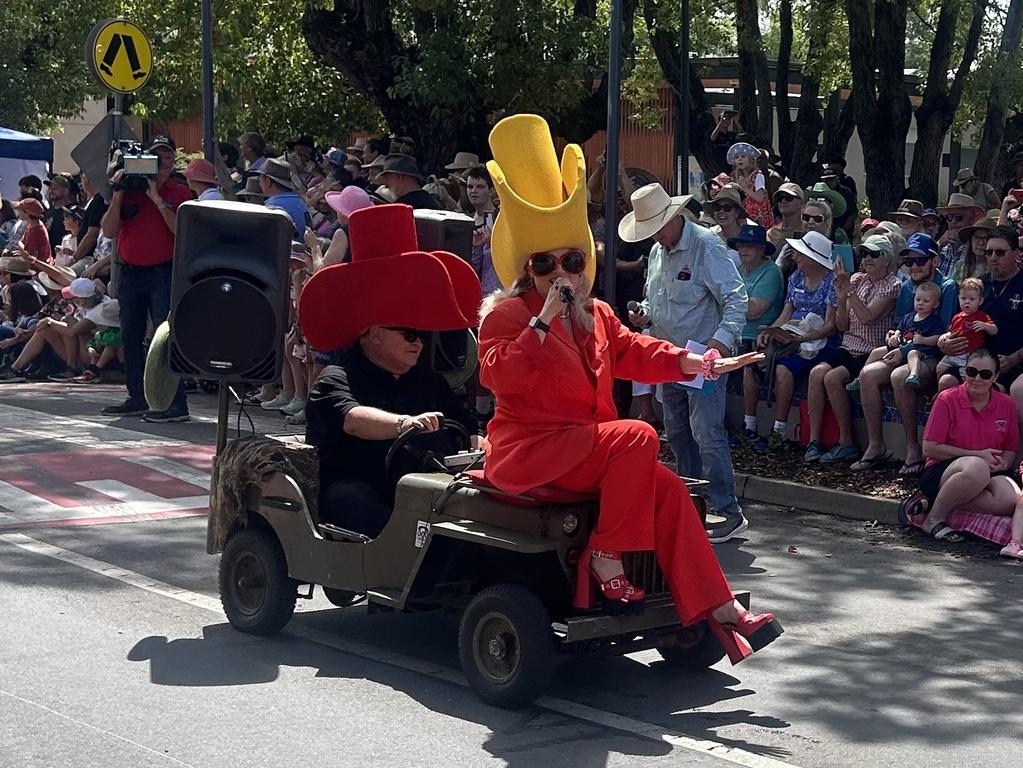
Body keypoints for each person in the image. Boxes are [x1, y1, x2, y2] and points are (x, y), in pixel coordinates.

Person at [479, 114, 779, 663]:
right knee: (639, 434)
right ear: (526, 271)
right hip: (532, 454)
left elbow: (637, 352)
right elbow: (501, 375)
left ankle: (721, 611)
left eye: (571, 260)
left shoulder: (595, 313)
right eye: (544, 264)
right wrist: (542, 321)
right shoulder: (504, 318)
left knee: (667, 486)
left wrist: (701, 362)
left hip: (585, 450)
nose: (560, 273)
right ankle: (607, 554)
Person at [301, 203, 484, 538]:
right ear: (376, 334)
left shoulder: (428, 381)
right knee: (360, 505)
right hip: (357, 485)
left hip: (423, 488)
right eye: (410, 335)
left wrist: (484, 446)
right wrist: (404, 424)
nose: (420, 344)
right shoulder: (336, 377)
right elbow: (353, 419)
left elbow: (468, 426)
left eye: (424, 336)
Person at [621, 181, 751, 542]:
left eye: (656, 227)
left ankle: (728, 510)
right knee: (678, 432)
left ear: (673, 217)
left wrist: (719, 345)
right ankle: (690, 504)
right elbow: (657, 301)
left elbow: (736, 298)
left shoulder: (706, 245)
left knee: (706, 432)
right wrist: (643, 315)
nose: (654, 236)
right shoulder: (659, 251)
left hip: (702, 356)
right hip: (669, 356)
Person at [99, 134, 191, 422]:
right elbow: (110, 230)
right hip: (130, 271)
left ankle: (175, 402)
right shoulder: (130, 190)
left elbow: (181, 231)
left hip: (162, 271)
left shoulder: (179, 192)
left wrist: (157, 198)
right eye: (157, 157)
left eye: (167, 158)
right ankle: (137, 396)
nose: (162, 163)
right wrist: (118, 194)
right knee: (131, 334)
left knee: (165, 337)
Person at [853, 233, 958, 475]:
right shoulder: (907, 287)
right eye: (908, 262)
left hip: (932, 357)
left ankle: (913, 447)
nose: (913, 266)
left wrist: (905, 349)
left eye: (920, 260)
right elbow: (901, 324)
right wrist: (894, 336)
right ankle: (876, 445)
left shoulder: (947, 287)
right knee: (868, 374)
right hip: (904, 351)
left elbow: (941, 335)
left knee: (900, 376)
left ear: (935, 261)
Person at [902, 349, 1019, 542]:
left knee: (1010, 499)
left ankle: (935, 502)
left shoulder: (1006, 404)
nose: (977, 378)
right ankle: (933, 518)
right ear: (965, 371)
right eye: (972, 372)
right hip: (944, 469)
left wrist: (1004, 464)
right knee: (977, 468)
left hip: (991, 470)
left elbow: (1011, 447)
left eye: (986, 374)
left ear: (995, 377)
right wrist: (978, 455)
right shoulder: (947, 399)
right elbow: (930, 448)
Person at [804, 235, 900, 464]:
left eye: (873, 254)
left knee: (832, 378)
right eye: (864, 254)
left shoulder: (893, 285)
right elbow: (842, 325)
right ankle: (814, 440)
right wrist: (841, 297)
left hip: (871, 350)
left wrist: (848, 293)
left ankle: (846, 442)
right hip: (848, 345)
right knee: (816, 373)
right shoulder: (856, 279)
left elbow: (868, 317)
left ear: (886, 259)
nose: (867, 259)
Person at [754, 231, 838, 452]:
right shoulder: (795, 278)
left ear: (813, 257)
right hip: (794, 337)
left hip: (821, 343)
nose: (796, 257)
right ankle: (750, 425)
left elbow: (831, 324)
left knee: (783, 370)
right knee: (755, 359)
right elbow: (786, 313)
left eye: (800, 253)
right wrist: (773, 331)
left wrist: (806, 337)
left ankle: (779, 430)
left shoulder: (832, 282)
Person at [729, 224, 784, 443]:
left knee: (748, 363)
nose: (744, 250)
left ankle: (749, 425)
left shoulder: (771, 272)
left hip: (759, 335)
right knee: (705, 354)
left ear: (762, 249)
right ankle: (708, 421)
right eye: (741, 245)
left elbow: (754, 311)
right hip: (733, 332)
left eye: (750, 246)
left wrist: (730, 303)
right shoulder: (738, 271)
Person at [854, 281, 944, 388]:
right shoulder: (908, 317)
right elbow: (899, 330)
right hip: (901, 347)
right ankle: (859, 378)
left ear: (935, 304)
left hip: (921, 351)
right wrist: (895, 336)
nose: (920, 303)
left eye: (926, 301)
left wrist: (924, 340)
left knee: (912, 353)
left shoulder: (934, 321)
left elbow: (938, 338)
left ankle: (913, 375)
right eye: (918, 300)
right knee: (876, 351)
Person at [935, 278, 997, 383]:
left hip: (968, 356)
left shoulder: (981, 316)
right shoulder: (957, 317)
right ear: (959, 298)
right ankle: (939, 393)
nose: (967, 302)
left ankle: (963, 394)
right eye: (963, 298)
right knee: (939, 368)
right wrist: (944, 336)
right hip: (952, 354)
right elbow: (951, 331)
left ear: (980, 301)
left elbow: (994, 330)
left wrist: (985, 326)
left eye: (972, 299)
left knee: (967, 377)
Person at [465, 166, 500, 295]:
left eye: (480, 187)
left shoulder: (501, 219)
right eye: (470, 187)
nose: (474, 191)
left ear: (491, 190)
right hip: (478, 291)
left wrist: (493, 244)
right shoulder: (465, 221)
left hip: (500, 292)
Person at [255, 157, 309, 238]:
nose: (259, 182)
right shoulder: (300, 202)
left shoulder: (273, 207)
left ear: (268, 180)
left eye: (260, 178)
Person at [936, 192, 984, 278]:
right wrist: (939, 244)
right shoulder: (943, 246)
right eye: (949, 218)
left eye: (958, 217)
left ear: (972, 219)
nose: (953, 222)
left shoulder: (977, 247)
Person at [727, 143, 772, 227]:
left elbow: (760, 198)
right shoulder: (738, 177)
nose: (740, 159)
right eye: (737, 157)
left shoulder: (758, 175)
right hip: (745, 215)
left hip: (758, 217)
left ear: (750, 159)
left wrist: (745, 188)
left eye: (743, 156)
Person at [950, 216, 994, 282]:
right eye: (977, 237)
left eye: (986, 239)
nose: (981, 243)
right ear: (971, 240)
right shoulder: (960, 265)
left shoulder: (994, 268)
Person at [766, 182, 804, 253]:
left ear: (801, 203)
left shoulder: (808, 230)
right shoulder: (771, 233)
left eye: (788, 198)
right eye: (779, 198)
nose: (783, 201)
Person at [14, 199, 50, 263]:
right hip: (32, 263)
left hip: (38, 269)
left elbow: (28, 257)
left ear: (27, 213)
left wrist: (22, 249)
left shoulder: (36, 231)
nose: (18, 212)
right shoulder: (32, 224)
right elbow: (22, 242)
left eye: (20, 210)